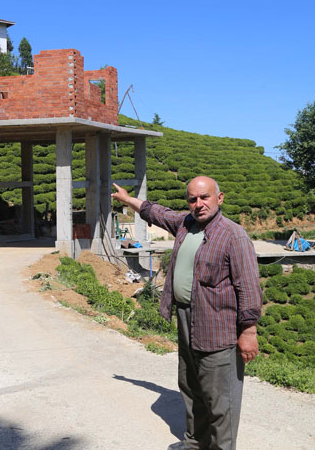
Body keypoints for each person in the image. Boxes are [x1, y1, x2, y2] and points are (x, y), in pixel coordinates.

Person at [111, 176, 261, 450]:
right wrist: (128, 200)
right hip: (186, 319)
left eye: (204, 197)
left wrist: (249, 331)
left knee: (220, 399)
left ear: (220, 198)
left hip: (218, 325)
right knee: (191, 386)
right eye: (193, 199)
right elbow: (156, 212)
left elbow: (248, 286)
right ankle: (195, 443)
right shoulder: (185, 224)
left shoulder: (233, 235)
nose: (199, 204)